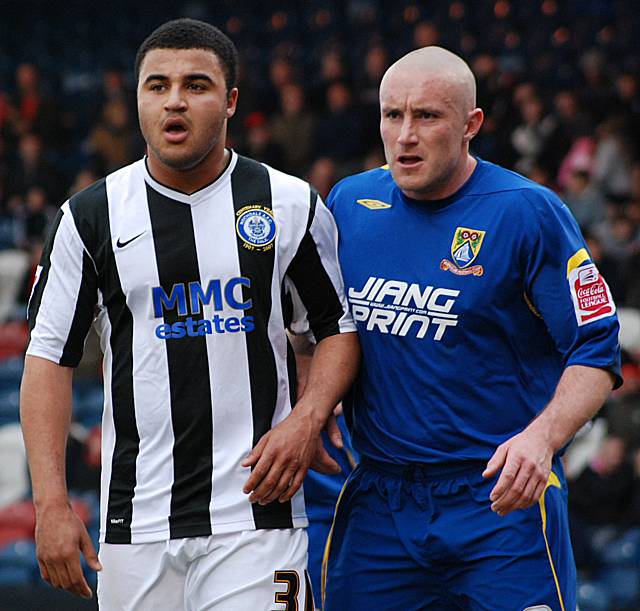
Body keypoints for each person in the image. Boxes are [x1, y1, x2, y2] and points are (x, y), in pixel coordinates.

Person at [20, 18, 359, 610]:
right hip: (136, 524)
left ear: (229, 102)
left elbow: (336, 330)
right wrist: (51, 502)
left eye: (196, 85)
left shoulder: (289, 202)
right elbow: (49, 358)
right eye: (158, 85)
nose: (175, 100)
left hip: (261, 518)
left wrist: (307, 419)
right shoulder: (89, 218)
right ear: (138, 100)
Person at [322, 46, 622, 611]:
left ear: (471, 125)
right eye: (393, 115)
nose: (405, 135)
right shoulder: (349, 204)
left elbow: (596, 349)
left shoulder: (528, 212)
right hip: (380, 503)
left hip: (500, 501)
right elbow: (319, 328)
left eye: (427, 116)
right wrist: (318, 400)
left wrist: (543, 438)